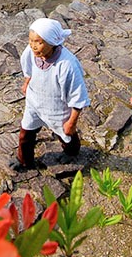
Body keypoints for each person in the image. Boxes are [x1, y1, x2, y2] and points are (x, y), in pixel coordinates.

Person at [16, 18, 90, 170]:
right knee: (26, 134)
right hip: (34, 103)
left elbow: (78, 97)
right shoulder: (31, 52)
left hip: (56, 108)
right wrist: (27, 82)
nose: (33, 46)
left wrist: (72, 122)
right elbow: (28, 69)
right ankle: (24, 161)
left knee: (66, 134)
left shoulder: (67, 65)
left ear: (52, 42)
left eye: (38, 42)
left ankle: (72, 152)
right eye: (31, 40)